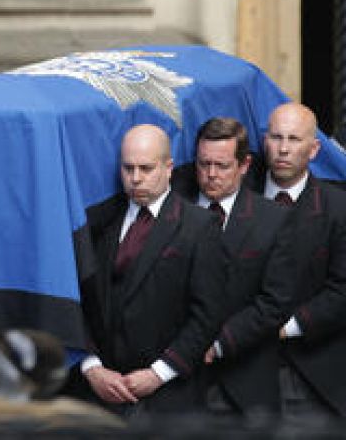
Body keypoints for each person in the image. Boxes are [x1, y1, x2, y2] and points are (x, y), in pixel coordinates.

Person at [72, 123, 227, 416]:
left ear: (169, 168)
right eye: (128, 168)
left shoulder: (199, 227)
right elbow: (78, 298)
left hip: (169, 398)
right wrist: (91, 366)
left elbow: (207, 315)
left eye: (145, 168)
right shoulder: (99, 222)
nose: (135, 178)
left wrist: (159, 372)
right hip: (100, 393)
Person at [172, 117, 295, 416]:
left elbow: (275, 301)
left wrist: (217, 344)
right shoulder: (171, 210)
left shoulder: (274, 220)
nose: (211, 175)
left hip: (245, 382)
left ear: (244, 165)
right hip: (175, 381)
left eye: (222, 166)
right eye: (203, 164)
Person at [245, 102, 346, 419]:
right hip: (238, 374)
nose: (283, 149)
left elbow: (342, 289)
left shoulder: (339, 207)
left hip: (311, 371)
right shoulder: (238, 197)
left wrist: (284, 328)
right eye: (276, 138)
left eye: (294, 139)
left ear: (314, 149)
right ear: (264, 143)